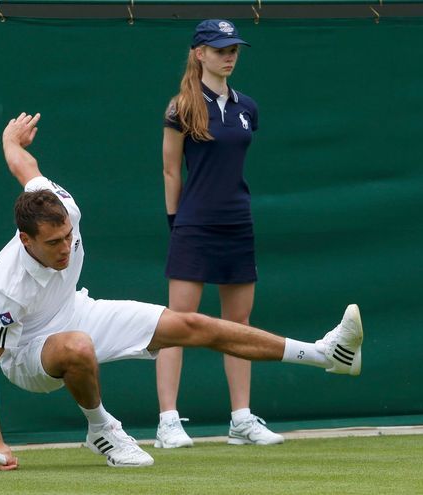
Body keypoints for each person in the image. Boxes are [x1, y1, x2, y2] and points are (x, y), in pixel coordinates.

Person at [0, 111, 364, 470]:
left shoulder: (62, 207)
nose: (65, 248)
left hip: (75, 311)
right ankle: (101, 429)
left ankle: (326, 354)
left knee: (193, 325)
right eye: (53, 243)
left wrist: (9, 141)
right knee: (76, 347)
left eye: (68, 237)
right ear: (25, 240)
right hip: (28, 356)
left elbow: (27, 166)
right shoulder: (6, 287)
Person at [157, 19, 276, 448]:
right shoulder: (180, 107)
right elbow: (172, 169)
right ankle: (168, 422)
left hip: (237, 224)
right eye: (221, 49)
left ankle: (241, 420)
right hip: (193, 225)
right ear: (199, 53)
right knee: (176, 325)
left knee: (238, 324)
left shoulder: (248, 108)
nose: (229, 57)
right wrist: (177, 222)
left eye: (234, 50)